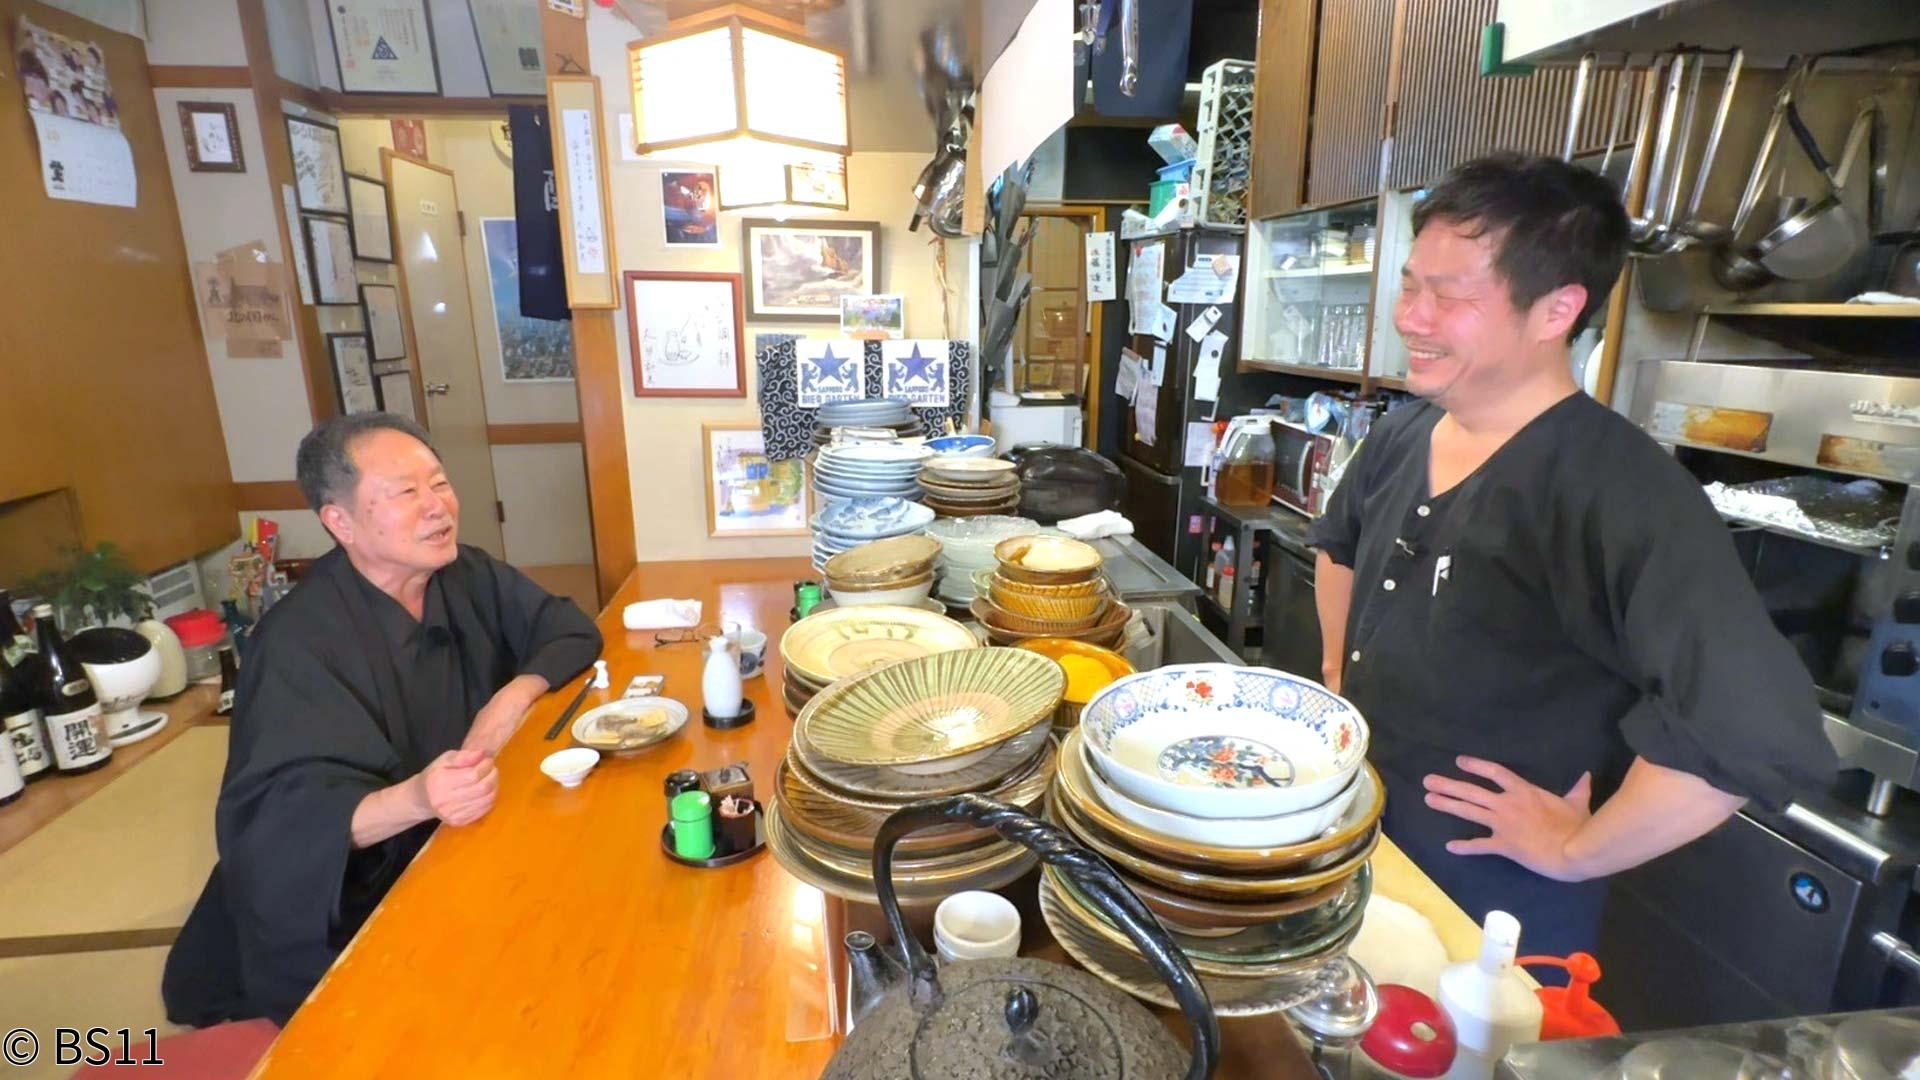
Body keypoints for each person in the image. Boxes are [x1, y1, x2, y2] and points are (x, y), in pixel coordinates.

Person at [1311, 154, 1838, 960]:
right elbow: (1339, 545)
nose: (1411, 317)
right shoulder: (1403, 433)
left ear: (1557, 310)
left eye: (1447, 296)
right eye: (1410, 285)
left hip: (1489, 912)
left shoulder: (1622, 489)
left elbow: (1754, 733)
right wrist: (1338, 678)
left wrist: (1573, 851)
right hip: (1361, 845)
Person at [164, 414, 601, 1025]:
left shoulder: (465, 572)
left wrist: (510, 698)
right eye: (405, 492)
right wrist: (421, 795)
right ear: (338, 521)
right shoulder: (296, 644)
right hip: (352, 905)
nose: (437, 507)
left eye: (440, 482)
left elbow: (570, 629)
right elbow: (280, 832)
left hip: (460, 842)